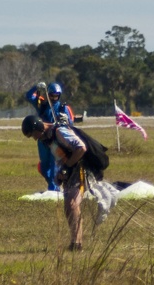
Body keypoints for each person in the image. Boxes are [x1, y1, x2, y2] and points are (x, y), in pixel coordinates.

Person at [22, 115, 89, 251]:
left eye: (34, 134)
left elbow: (81, 148)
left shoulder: (59, 132)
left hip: (80, 170)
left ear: (39, 127)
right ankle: (75, 241)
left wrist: (68, 166)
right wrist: (60, 173)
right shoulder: (47, 139)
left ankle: (77, 244)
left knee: (72, 204)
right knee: (68, 207)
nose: (35, 138)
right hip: (69, 172)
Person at [24, 82, 75, 192]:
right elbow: (28, 96)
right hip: (42, 140)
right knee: (43, 167)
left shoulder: (63, 108)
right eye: (51, 95)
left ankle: (54, 189)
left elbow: (71, 124)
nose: (53, 98)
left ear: (59, 95)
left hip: (56, 140)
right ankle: (52, 184)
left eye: (56, 95)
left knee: (54, 166)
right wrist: (36, 87)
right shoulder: (41, 104)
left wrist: (65, 120)